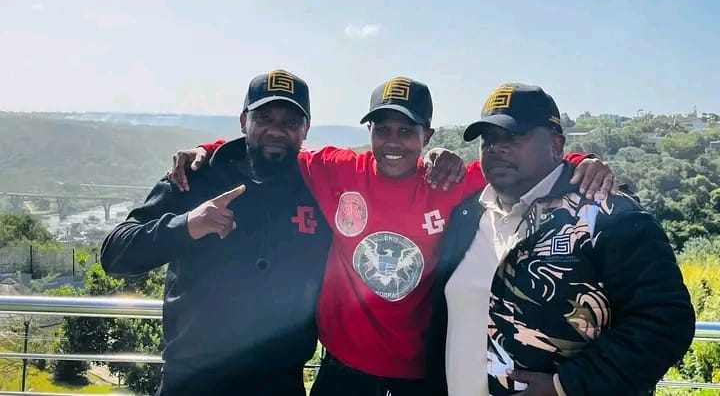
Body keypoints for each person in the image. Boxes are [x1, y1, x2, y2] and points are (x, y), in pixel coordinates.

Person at [168, 76, 617, 396]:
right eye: (382, 129)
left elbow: (525, 164)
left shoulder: (450, 180)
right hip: (343, 369)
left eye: (406, 130)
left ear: (428, 134)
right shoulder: (337, 168)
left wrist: (582, 162)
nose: (393, 141)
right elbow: (274, 145)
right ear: (369, 132)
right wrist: (204, 151)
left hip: (419, 374)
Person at [426, 83, 696, 396]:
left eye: (513, 136)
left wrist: (565, 385)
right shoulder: (467, 215)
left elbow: (666, 320)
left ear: (556, 145)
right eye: (489, 139)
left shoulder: (609, 215)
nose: (496, 148)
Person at [100, 70, 334, 396]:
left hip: (279, 383)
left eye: (290, 121)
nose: (276, 130)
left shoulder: (320, 186)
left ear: (305, 129)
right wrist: (187, 225)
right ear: (243, 121)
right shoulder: (195, 177)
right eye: (264, 118)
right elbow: (115, 253)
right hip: (192, 381)